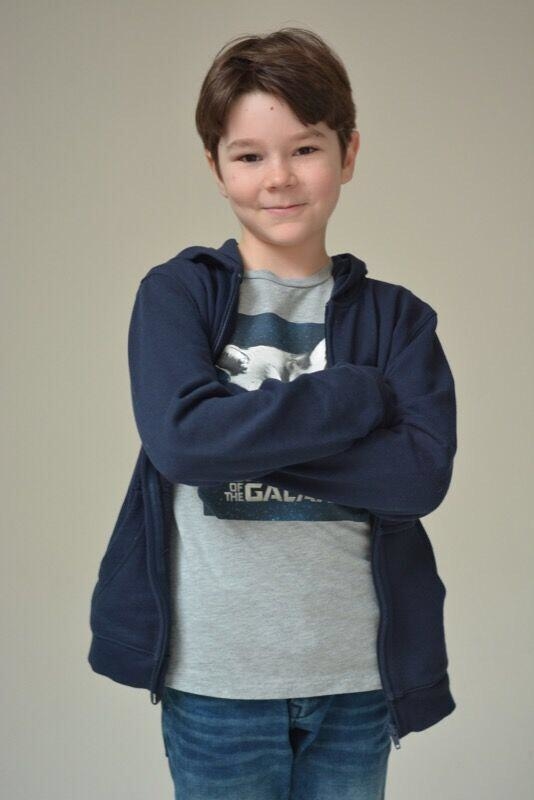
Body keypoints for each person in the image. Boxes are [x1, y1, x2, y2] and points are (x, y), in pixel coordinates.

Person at [88, 26, 458, 800]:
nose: (279, 178)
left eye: (305, 148)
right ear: (216, 168)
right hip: (217, 682)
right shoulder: (178, 295)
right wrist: (354, 398)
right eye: (250, 155)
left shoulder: (398, 321)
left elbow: (418, 478)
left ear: (348, 153)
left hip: (357, 681)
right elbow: (183, 445)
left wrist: (232, 433)